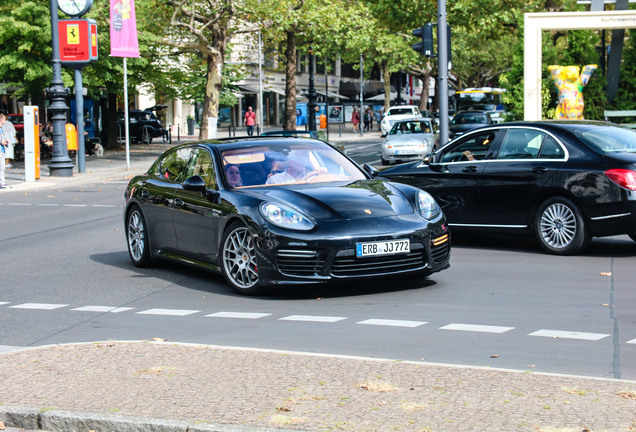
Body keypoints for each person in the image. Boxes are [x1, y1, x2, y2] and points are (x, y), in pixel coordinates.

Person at [0, 113, 10, 188]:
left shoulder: (1, 129)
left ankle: (2, 182)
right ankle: (2, 182)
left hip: (2, 150)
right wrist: (2, 141)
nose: (5, 121)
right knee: (1, 167)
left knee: (2, 167)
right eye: (4, 119)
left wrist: (4, 140)